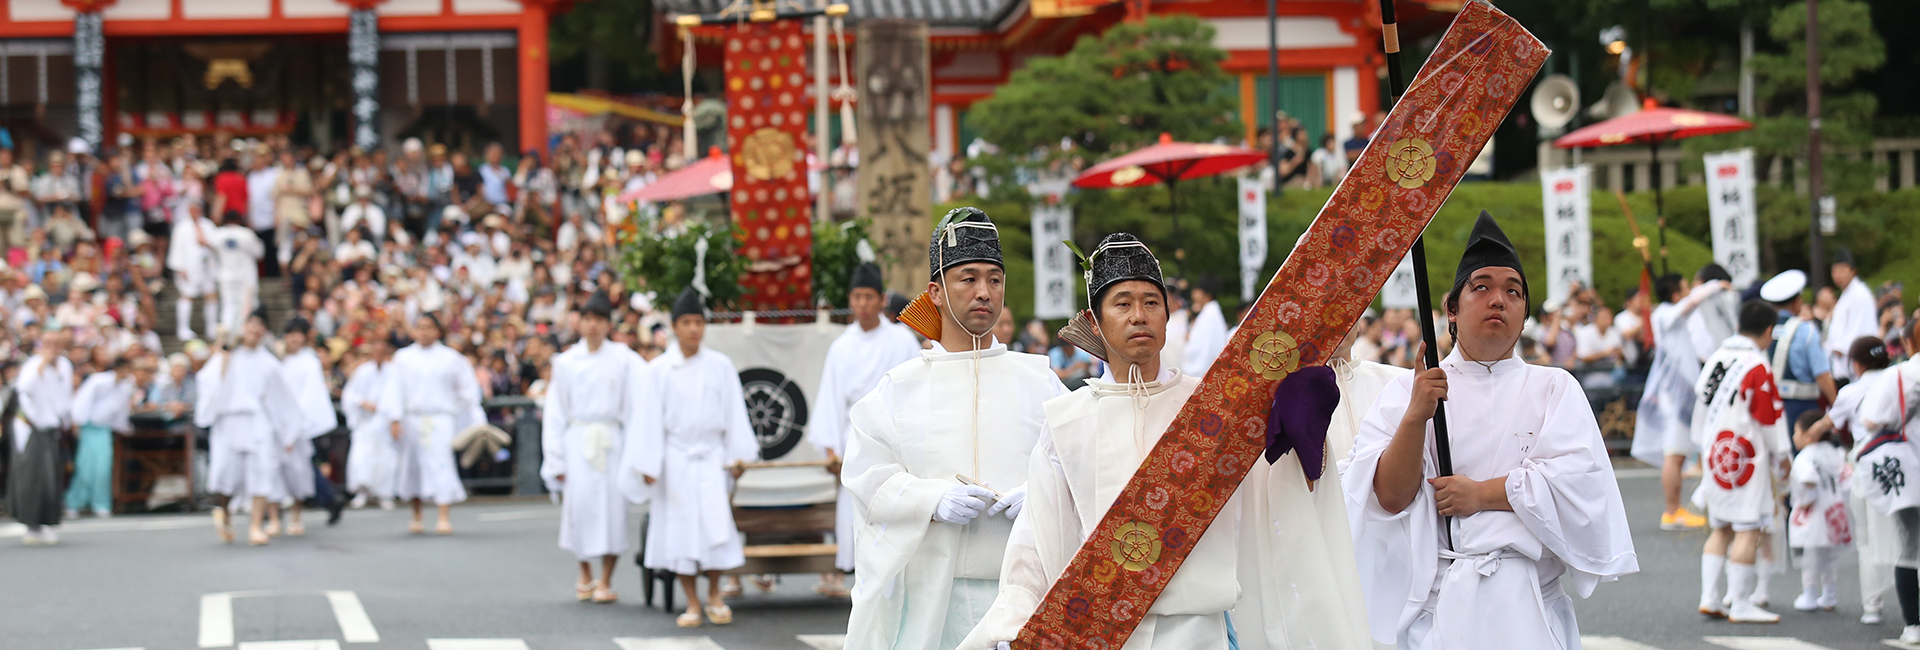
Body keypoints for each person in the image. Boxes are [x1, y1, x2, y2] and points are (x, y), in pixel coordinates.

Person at [1345, 212, 1637, 649]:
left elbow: (1578, 483)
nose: (1498, 299)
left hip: (1530, 607)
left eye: (1513, 291)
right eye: (1481, 287)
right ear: (1452, 312)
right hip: (1438, 608)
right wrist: (1414, 416)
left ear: (1524, 316)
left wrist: (1480, 494)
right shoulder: (1411, 389)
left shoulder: (1554, 387)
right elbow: (1386, 498)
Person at [959, 233, 1249, 649]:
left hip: (1199, 630)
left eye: (1151, 302)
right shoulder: (1068, 421)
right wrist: (1014, 625)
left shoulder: (1210, 408)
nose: (1139, 315)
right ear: (1095, 322)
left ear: (1168, 315)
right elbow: (1035, 546)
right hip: (1107, 635)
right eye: (1122, 303)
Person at [843, 207, 1067, 650]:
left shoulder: (1040, 381)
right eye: (968, 278)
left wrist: (1044, 492)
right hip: (931, 601)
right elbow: (868, 477)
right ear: (937, 292)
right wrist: (930, 499)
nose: (984, 292)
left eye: (994, 279)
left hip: (1024, 596)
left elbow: (1078, 465)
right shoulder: (899, 388)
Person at [1241, 315, 1403, 650]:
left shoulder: (1398, 383)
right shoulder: (1281, 394)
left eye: (1351, 313)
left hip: (1394, 551)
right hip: (1321, 544)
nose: (1340, 324)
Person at [633, 287, 758, 628]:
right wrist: (648, 464)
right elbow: (647, 421)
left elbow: (734, 413)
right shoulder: (657, 370)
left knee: (715, 525)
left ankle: (714, 593)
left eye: (698, 322)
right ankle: (691, 600)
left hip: (711, 456)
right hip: (676, 459)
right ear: (674, 326)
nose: (693, 329)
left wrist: (738, 455)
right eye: (686, 322)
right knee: (680, 530)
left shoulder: (720, 366)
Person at [806, 262, 922, 597]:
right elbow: (830, 398)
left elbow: (914, 391)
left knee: (895, 515)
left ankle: (897, 589)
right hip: (854, 439)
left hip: (893, 441)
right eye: (856, 297)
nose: (862, 304)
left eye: (868, 297)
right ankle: (863, 591)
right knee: (856, 518)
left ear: (881, 300)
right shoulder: (841, 346)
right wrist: (831, 448)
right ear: (850, 300)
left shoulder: (901, 340)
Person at [540, 291, 660, 605]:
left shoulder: (624, 358)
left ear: (608, 324)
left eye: (599, 319)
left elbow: (645, 392)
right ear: (579, 322)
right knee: (579, 508)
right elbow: (555, 412)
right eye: (588, 319)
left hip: (612, 441)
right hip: (578, 440)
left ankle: (606, 578)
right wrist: (555, 460)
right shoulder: (566, 362)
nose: (593, 325)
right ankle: (584, 572)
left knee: (613, 509)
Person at [1692, 300, 1792, 623]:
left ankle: (1710, 597)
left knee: (1720, 527)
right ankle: (1741, 602)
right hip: (1746, 454)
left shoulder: (1716, 359)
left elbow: (1700, 409)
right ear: (1767, 331)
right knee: (1748, 527)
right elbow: (1770, 417)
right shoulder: (1757, 365)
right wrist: (1783, 454)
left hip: (1716, 451)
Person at [1630, 271, 1732, 531]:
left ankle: (1675, 509)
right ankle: (1672, 511)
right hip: (1673, 397)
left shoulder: (1667, 315)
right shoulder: (1665, 313)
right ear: (1675, 294)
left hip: (1679, 394)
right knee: (1674, 454)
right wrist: (1712, 286)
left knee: (1677, 453)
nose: (1689, 291)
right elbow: (1689, 305)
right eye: (1685, 287)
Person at [194, 311, 305, 545]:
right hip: (229, 421)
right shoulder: (227, 355)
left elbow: (281, 399)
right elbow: (208, 384)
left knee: (261, 470)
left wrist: (287, 432)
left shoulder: (269, 363)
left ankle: (255, 526)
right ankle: (224, 511)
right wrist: (223, 358)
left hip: (257, 422)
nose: (255, 330)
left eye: (260, 326)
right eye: (251, 324)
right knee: (225, 474)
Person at [1808, 337, 1897, 624]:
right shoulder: (1901, 380)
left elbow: (1828, 423)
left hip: (1868, 464)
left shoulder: (1852, 391)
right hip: (1906, 463)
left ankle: (1873, 606)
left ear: (1856, 363)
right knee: (1911, 536)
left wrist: (1806, 432)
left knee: (1868, 540)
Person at [380, 314, 480, 535]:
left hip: (440, 419)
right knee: (412, 466)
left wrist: (466, 415)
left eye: (429, 328)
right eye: (420, 327)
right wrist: (394, 418)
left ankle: (443, 515)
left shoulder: (451, 358)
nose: (424, 332)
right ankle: (417, 514)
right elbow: (393, 389)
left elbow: (467, 390)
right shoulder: (403, 358)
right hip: (412, 418)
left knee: (441, 463)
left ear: (437, 331)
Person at [1859, 322, 1920, 642]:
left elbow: (1872, 419)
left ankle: (1914, 623)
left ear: (1909, 341)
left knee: (1910, 545)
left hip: (1912, 468)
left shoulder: (1902, 375)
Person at [8, 330, 73, 545]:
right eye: (48, 343)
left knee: (49, 477)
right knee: (31, 477)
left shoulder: (64, 365)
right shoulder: (32, 365)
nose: (52, 348)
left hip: (51, 427)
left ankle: (45, 522)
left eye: (56, 343)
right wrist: (43, 364)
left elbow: (64, 395)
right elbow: (25, 388)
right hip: (31, 427)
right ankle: (31, 525)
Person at [279, 316, 343, 533]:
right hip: (282, 424)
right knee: (295, 467)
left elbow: (308, 397)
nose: (294, 339)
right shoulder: (282, 361)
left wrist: (296, 426)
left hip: (300, 424)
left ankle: (317, 504)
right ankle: (330, 499)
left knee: (300, 467)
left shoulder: (309, 362)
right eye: (290, 334)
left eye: (299, 334)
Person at [1758, 270, 1838, 434]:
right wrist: (1836, 407)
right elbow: (1821, 373)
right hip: (1802, 407)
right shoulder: (1805, 329)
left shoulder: (1763, 328)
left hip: (1770, 402)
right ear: (1797, 301)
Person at [62, 356, 142, 519]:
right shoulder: (98, 381)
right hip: (89, 427)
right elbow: (83, 401)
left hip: (104, 431)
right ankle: (73, 503)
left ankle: (101, 504)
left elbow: (120, 411)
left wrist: (125, 428)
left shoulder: (126, 387)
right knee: (85, 467)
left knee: (103, 468)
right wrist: (78, 421)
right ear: (120, 368)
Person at [1788, 408, 1851, 613]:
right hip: (1836, 509)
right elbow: (1848, 478)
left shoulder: (1805, 457)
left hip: (1814, 513)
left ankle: (1810, 594)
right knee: (1830, 557)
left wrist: (1806, 500)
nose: (1793, 436)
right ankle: (1830, 594)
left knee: (1811, 558)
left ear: (1809, 435)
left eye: (1796, 432)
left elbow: (1808, 479)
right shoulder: (1836, 453)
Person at [343, 333, 396, 509]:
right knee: (362, 458)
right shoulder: (363, 370)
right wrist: (363, 403)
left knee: (386, 459)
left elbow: (398, 396)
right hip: (365, 422)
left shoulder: (394, 371)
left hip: (384, 423)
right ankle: (362, 492)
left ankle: (384, 494)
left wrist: (390, 413)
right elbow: (350, 395)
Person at [168, 201, 220, 341]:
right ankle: (183, 328)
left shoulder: (208, 225)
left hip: (207, 266)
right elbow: (176, 248)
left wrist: (207, 242)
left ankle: (211, 327)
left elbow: (217, 243)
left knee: (211, 295)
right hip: (189, 268)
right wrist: (179, 267)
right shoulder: (181, 227)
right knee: (187, 296)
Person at [210, 211, 264, 337]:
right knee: (249, 304)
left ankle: (226, 331)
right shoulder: (246, 234)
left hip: (226, 275)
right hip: (246, 275)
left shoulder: (217, 234)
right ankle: (244, 332)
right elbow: (259, 253)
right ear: (239, 220)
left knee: (228, 304)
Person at [1828, 248, 1878, 381]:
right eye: (1835, 270)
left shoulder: (1860, 294)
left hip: (1855, 362)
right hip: (1841, 364)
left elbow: (1859, 330)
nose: (1838, 274)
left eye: (1842, 270)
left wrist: (1837, 347)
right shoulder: (1845, 295)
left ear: (1853, 271)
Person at [1182, 277, 1228, 375]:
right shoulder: (1209, 313)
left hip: (1201, 372)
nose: (1193, 293)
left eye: (1197, 290)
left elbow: (1205, 349)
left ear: (1207, 294)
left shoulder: (1210, 316)